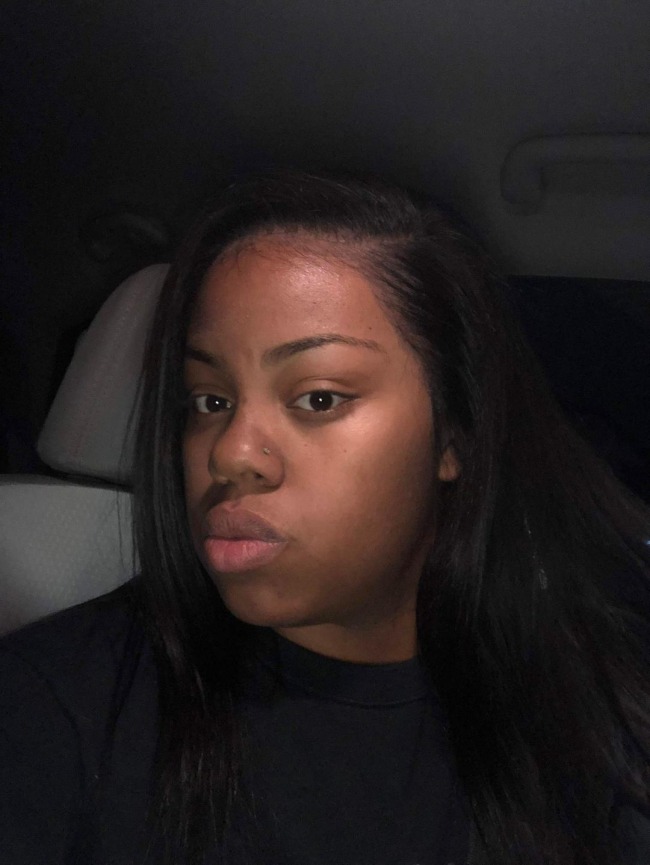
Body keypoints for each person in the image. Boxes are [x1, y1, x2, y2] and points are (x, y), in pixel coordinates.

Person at [1, 171, 649, 865]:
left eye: (317, 398)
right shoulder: (47, 707)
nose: (231, 454)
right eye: (210, 400)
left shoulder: (596, 710)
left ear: (454, 436)